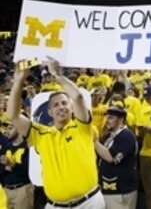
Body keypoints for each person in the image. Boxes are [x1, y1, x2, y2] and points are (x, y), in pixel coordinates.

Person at [7, 57, 105, 209]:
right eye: (56, 105)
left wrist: (57, 75)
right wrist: (19, 81)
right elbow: (13, 115)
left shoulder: (83, 127)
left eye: (64, 103)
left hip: (89, 203)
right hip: (55, 206)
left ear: (71, 108)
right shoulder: (39, 134)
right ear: (50, 112)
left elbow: (78, 97)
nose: (61, 107)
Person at [95, 107, 138, 209]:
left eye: (111, 118)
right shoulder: (111, 135)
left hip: (121, 189)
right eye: (106, 118)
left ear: (121, 119)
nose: (107, 121)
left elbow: (111, 157)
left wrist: (93, 141)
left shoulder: (126, 136)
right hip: (112, 188)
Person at [0, 121, 33, 209]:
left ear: (19, 129)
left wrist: (11, 164)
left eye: (10, 128)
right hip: (6, 190)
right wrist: (6, 167)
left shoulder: (28, 147)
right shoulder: (6, 147)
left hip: (22, 190)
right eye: (7, 128)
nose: (7, 131)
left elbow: (28, 173)